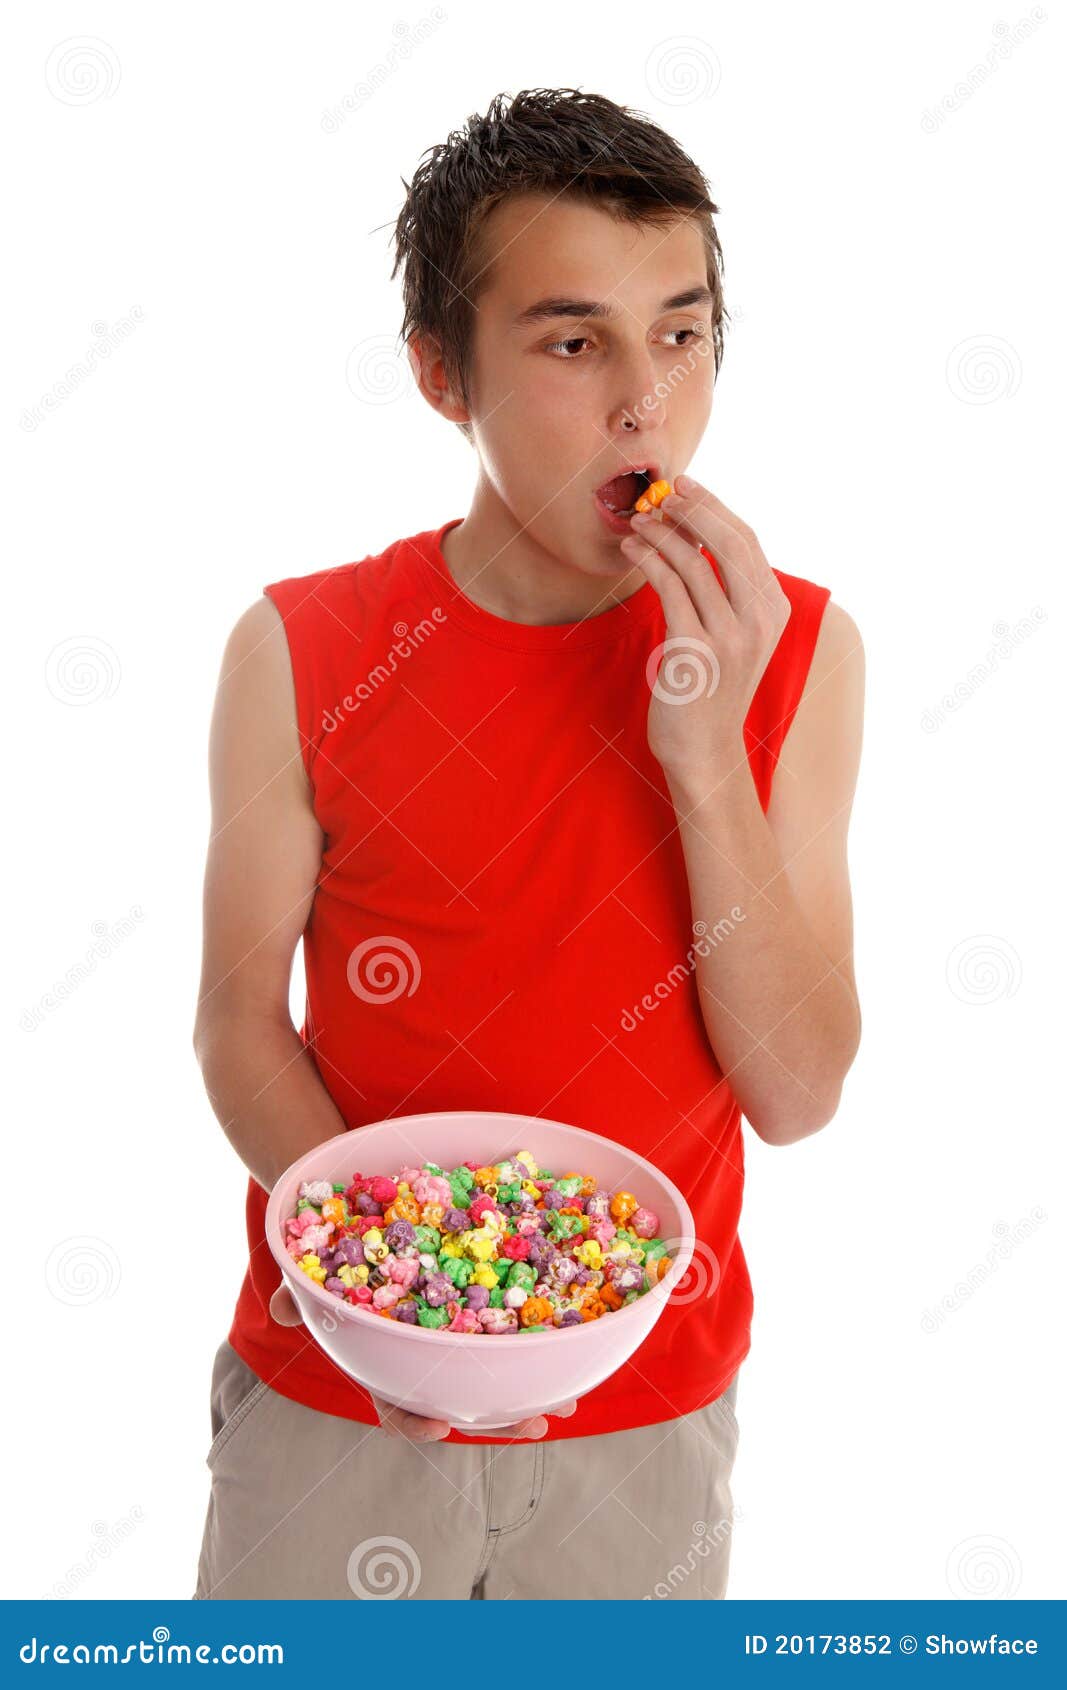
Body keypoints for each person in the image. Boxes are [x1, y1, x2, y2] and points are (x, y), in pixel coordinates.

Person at [191, 87, 864, 1601]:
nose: (647, 401)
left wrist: (704, 750)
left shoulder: (806, 653)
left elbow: (800, 1086)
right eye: (575, 342)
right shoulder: (301, 646)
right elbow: (240, 1023)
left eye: (682, 333)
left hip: (646, 1417)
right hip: (333, 1394)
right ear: (443, 374)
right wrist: (397, 1301)